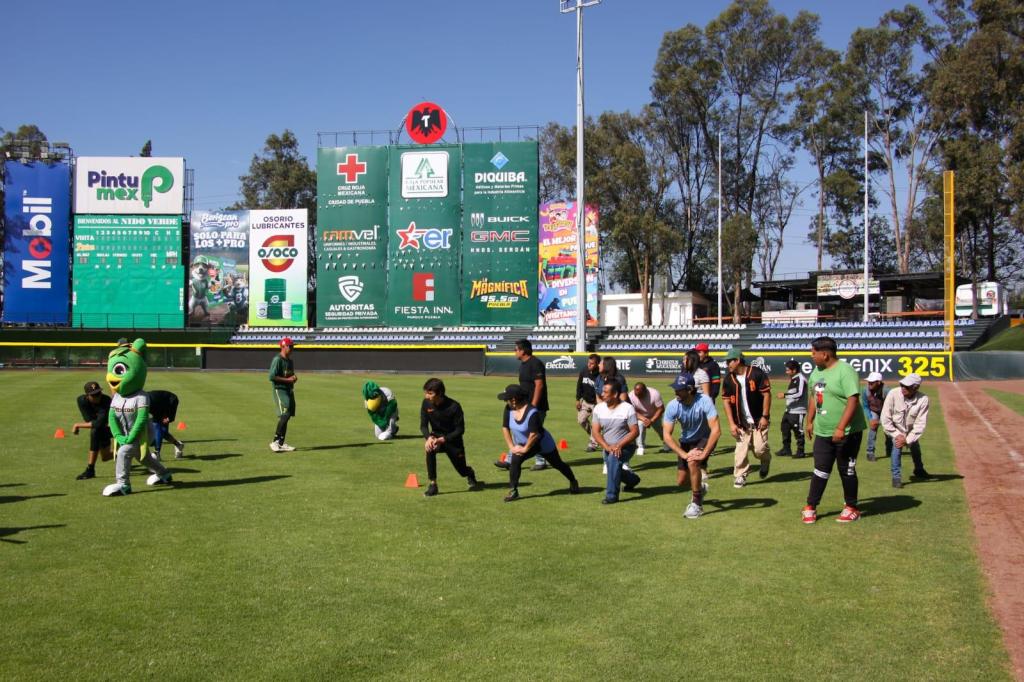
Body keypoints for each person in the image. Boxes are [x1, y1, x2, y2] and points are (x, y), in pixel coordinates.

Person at [802, 336, 868, 524]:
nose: (811, 356)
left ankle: (852, 507)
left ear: (825, 354)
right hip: (823, 432)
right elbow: (814, 396)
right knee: (820, 470)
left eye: (813, 353)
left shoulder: (845, 371)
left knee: (846, 469)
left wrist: (840, 427)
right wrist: (810, 420)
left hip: (847, 433)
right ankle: (810, 506)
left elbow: (853, 400)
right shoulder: (816, 371)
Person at [102, 338, 172, 496]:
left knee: (124, 452)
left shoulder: (141, 396)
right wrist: (118, 435)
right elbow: (112, 416)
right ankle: (164, 474)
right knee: (144, 458)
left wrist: (131, 437)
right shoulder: (118, 396)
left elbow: (141, 419)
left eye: (119, 370)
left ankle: (123, 484)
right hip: (125, 434)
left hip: (142, 433)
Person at [499, 384, 579, 502]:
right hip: (523, 443)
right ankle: (513, 491)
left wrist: (526, 448)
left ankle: (573, 481)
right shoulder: (508, 409)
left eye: (507, 398)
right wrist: (512, 447)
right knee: (515, 460)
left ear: (514, 399)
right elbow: (505, 428)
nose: (506, 400)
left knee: (557, 464)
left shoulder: (532, 412)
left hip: (541, 442)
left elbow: (534, 434)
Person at [662, 372, 721, 519]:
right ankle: (700, 488)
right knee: (681, 481)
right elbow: (666, 435)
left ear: (689, 389)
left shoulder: (705, 401)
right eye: (675, 388)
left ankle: (697, 505)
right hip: (686, 441)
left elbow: (716, 430)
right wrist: (683, 454)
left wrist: (704, 453)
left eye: (679, 389)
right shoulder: (673, 405)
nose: (676, 392)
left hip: (704, 438)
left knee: (693, 462)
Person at [496, 339, 550, 471]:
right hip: (524, 406)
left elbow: (539, 385)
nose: (514, 352)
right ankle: (510, 459)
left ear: (523, 351)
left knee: (534, 433)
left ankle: (540, 460)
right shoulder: (523, 365)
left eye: (516, 349)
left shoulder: (535, 364)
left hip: (535, 407)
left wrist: (533, 406)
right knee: (518, 432)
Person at [420, 378, 480, 497]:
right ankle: (433, 484)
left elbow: (460, 430)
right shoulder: (426, 403)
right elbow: (423, 426)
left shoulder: (454, 406)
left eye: (430, 393)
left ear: (440, 393)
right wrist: (429, 438)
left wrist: (444, 439)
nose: (427, 396)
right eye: (426, 392)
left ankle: (469, 473)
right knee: (430, 449)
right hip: (436, 437)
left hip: (453, 440)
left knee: (462, 471)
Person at [721, 348, 772, 488]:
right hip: (741, 423)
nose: (727, 364)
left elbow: (767, 394)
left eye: (729, 361)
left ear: (737, 360)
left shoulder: (756, 373)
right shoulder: (728, 379)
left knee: (760, 449)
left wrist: (765, 416)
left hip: (758, 420)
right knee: (741, 451)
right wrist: (732, 424)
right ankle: (740, 475)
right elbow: (725, 401)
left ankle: (765, 461)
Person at [592, 382, 641, 504]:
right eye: (602, 391)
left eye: (606, 392)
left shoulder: (627, 408)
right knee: (613, 465)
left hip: (626, 446)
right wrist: (607, 447)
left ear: (615, 394)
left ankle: (611, 495)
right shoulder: (598, 408)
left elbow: (635, 432)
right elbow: (596, 432)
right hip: (608, 447)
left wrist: (618, 445)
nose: (602, 394)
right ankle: (632, 480)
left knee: (614, 460)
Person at [880, 373, 930, 488]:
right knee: (897, 446)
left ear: (915, 387)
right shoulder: (893, 394)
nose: (903, 388)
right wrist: (898, 435)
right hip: (895, 429)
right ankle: (896, 477)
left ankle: (919, 469)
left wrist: (907, 440)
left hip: (911, 431)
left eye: (906, 386)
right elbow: (885, 419)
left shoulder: (923, 400)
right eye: (902, 384)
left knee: (915, 446)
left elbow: (920, 424)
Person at [72, 381, 113, 480]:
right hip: (103, 427)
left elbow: (98, 423)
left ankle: (90, 470)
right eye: (94, 395)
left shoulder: (106, 400)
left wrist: (78, 425)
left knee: (95, 431)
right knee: (106, 457)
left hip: (117, 428)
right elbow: (89, 420)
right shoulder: (82, 401)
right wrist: (96, 421)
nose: (97, 397)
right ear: (87, 396)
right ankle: (129, 452)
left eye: (98, 393)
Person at [269, 337, 297, 452]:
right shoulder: (277, 359)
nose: (292, 348)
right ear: (283, 346)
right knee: (284, 414)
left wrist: (294, 378)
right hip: (279, 390)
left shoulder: (290, 361)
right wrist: (288, 380)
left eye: (293, 346)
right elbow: (272, 376)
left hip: (289, 390)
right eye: (290, 346)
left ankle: (281, 443)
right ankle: (275, 441)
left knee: (288, 415)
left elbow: (290, 375)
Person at [776, 360, 807, 459]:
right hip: (789, 410)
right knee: (784, 428)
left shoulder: (801, 379)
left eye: (788, 370)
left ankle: (800, 451)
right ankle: (786, 449)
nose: (786, 372)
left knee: (798, 431)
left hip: (798, 411)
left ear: (794, 370)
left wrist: (785, 395)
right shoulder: (794, 378)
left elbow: (799, 394)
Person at [860, 371, 892, 462]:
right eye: (868, 382)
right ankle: (870, 452)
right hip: (874, 411)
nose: (869, 384)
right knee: (873, 429)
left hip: (886, 411)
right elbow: (865, 406)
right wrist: (871, 419)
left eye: (872, 382)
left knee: (888, 430)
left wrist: (885, 420)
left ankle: (890, 449)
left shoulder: (887, 391)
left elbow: (890, 407)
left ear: (878, 382)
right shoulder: (864, 390)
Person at [628, 382, 665, 456]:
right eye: (636, 394)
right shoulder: (631, 396)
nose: (638, 397)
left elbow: (661, 409)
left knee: (660, 430)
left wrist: (652, 420)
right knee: (640, 425)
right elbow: (632, 411)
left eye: (640, 395)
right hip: (640, 416)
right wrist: (644, 419)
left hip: (654, 415)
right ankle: (640, 447)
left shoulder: (654, 393)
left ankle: (667, 443)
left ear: (645, 391)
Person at [148, 389, 185, 460]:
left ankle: (157, 452)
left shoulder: (152, 404)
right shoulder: (142, 401)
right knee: (163, 433)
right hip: (161, 405)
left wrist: (170, 418)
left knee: (158, 426)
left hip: (170, 402)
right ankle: (179, 445)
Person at [576, 353, 601, 452]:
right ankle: (596, 435)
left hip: (597, 403)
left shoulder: (601, 375)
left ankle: (593, 443)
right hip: (585, 401)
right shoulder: (584, 370)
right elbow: (579, 385)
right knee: (581, 420)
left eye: (592, 363)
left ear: (598, 364)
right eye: (588, 362)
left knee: (596, 423)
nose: (589, 365)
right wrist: (578, 399)